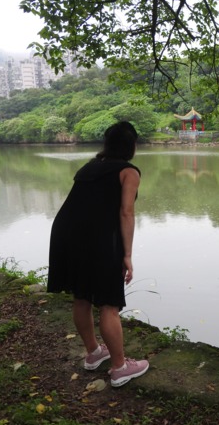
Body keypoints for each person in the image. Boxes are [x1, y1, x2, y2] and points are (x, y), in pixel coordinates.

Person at [47, 121, 149, 387]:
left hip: (65, 234)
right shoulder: (129, 172)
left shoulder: (89, 167)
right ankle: (119, 367)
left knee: (82, 296)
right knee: (109, 303)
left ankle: (94, 352)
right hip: (97, 238)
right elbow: (126, 212)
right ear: (131, 145)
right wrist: (127, 255)